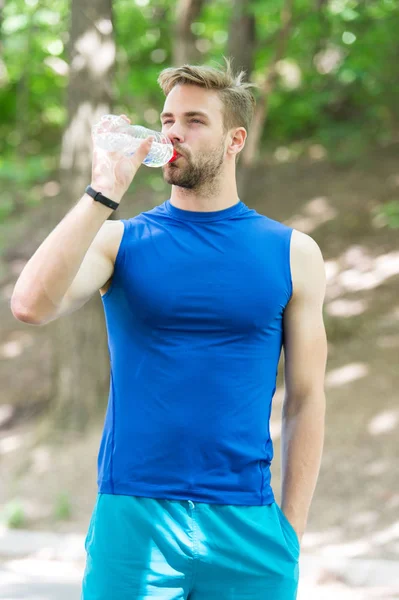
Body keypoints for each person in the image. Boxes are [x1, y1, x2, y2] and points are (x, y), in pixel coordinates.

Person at [11, 59, 327, 600]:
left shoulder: (294, 253)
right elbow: (30, 305)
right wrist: (102, 191)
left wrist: (289, 530)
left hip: (248, 524)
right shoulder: (120, 241)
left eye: (194, 120)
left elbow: (306, 399)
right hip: (133, 519)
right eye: (167, 119)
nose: (173, 131)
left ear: (235, 140)